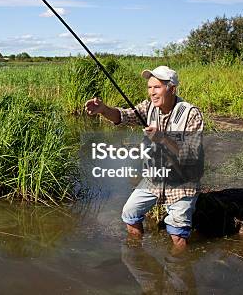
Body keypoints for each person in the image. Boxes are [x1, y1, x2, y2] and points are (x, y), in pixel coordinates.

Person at [85, 65, 203, 250]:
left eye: (157, 87)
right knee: (130, 213)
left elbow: (191, 154)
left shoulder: (190, 113)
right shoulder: (149, 107)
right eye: (149, 87)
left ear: (172, 89)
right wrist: (103, 109)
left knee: (177, 234)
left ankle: (178, 272)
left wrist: (162, 138)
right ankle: (139, 255)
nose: (152, 93)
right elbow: (124, 116)